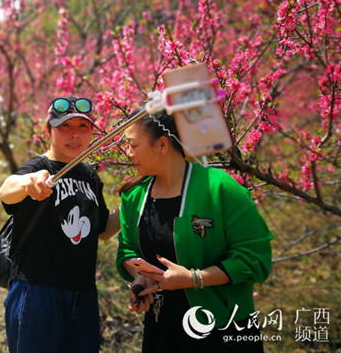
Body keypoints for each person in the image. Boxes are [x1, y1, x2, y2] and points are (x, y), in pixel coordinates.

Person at [116, 109, 272, 352]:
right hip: (163, 328)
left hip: (223, 329)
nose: (128, 152)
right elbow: (127, 250)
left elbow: (253, 258)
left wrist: (193, 279)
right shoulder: (134, 196)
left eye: (133, 145)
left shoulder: (219, 187)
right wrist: (141, 276)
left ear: (162, 144)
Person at [0, 95, 120, 353]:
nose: (74, 134)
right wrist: (29, 183)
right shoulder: (39, 168)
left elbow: (103, 231)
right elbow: (6, 191)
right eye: (65, 126)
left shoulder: (89, 175)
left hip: (83, 292)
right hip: (37, 292)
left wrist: (134, 201)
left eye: (83, 127)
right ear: (48, 131)